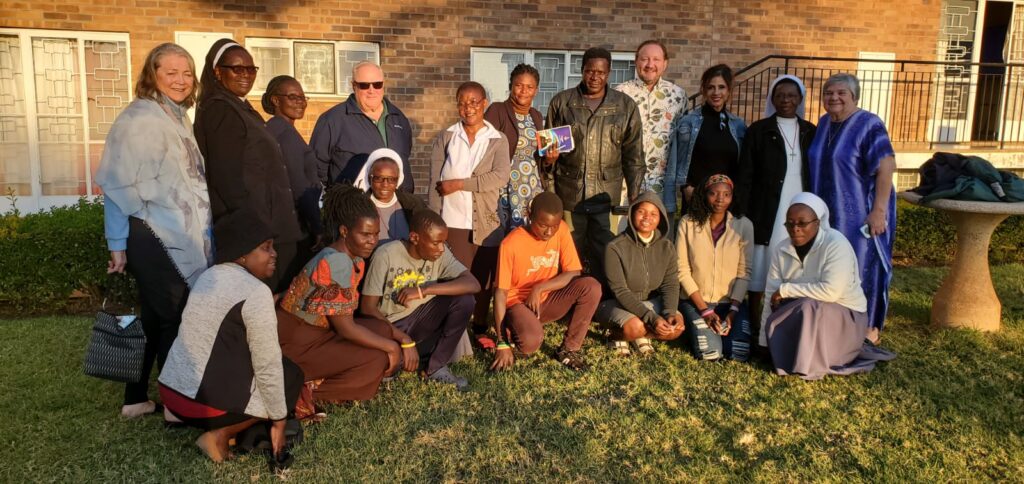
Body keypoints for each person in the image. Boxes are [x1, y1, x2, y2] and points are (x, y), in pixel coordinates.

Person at [95, 42, 213, 418]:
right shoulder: (141, 119)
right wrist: (117, 245)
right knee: (172, 317)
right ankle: (176, 405)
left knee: (152, 316)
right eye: (170, 73)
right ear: (152, 75)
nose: (180, 80)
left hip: (173, 230)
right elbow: (117, 187)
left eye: (186, 73)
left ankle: (135, 399)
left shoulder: (175, 115)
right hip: (154, 232)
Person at [158, 210, 303, 463]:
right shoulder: (255, 291)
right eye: (266, 248)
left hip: (172, 397)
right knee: (290, 375)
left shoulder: (208, 276)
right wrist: (279, 421)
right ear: (242, 254)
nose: (274, 254)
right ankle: (220, 435)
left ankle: (230, 429)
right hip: (202, 407)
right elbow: (267, 363)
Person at [276, 185, 406, 414]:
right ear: (345, 231)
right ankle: (304, 393)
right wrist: (393, 347)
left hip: (316, 334)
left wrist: (391, 338)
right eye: (365, 234)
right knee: (375, 360)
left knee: (380, 329)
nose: (372, 241)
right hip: (297, 343)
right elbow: (346, 328)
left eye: (375, 234)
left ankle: (321, 377)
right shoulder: (338, 261)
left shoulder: (351, 258)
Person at [193, 39, 302, 294]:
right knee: (266, 301)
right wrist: (255, 235)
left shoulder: (239, 106)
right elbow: (226, 178)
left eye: (251, 69)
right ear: (218, 71)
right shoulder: (220, 110)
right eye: (237, 69)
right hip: (258, 231)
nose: (245, 75)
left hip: (271, 225)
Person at [764, 192, 896, 380]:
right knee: (789, 311)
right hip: (804, 313)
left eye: (802, 223)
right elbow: (771, 291)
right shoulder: (782, 249)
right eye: (790, 223)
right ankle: (803, 355)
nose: (795, 229)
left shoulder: (835, 243)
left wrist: (786, 290)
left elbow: (831, 291)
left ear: (817, 222)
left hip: (845, 315)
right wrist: (763, 343)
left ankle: (851, 345)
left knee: (809, 306)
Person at [807, 73, 897, 343]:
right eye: (828, 93)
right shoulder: (823, 124)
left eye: (841, 93)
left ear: (854, 97)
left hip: (860, 215)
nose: (834, 97)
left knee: (861, 268)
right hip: (828, 215)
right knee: (832, 267)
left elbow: (886, 165)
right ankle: (836, 325)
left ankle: (867, 328)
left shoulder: (869, 124)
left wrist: (878, 211)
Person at [545, 47, 644, 279]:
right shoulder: (562, 102)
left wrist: (634, 193)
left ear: (608, 73)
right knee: (569, 251)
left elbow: (634, 155)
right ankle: (567, 298)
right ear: (582, 71)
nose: (595, 77)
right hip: (569, 194)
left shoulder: (625, 106)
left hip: (605, 196)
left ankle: (604, 299)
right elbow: (547, 155)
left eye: (601, 72)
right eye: (590, 71)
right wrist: (550, 193)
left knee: (606, 251)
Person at [360, 210, 481, 391]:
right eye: (435, 243)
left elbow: (473, 284)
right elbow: (367, 308)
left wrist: (424, 290)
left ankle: (435, 367)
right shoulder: (385, 254)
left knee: (465, 300)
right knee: (379, 367)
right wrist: (404, 339)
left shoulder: (441, 253)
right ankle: (398, 360)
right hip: (390, 326)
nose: (441, 249)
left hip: (422, 319)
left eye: (443, 242)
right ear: (415, 238)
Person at [733, 75, 816, 335]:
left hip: (799, 205)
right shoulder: (759, 130)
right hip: (766, 210)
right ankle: (757, 326)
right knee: (761, 269)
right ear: (772, 98)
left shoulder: (810, 131)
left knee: (794, 267)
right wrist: (741, 210)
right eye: (780, 95)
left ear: (800, 99)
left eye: (791, 95)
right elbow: (745, 173)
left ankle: (787, 323)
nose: (785, 100)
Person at [428, 81, 511, 345]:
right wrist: (434, 222)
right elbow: (434, 183)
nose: (468, 108)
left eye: (474, 102)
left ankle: (480, 326)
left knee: (484, 278)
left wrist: (459, 184)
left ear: (484, 103)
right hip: (453, 222)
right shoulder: (447, 136)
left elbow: (499, 177)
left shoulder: (497, 139)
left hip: (487, 223)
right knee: (457, 277)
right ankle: (456, 327)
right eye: (462, 102)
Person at [491, 192, 602, 372]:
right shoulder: (510, 244)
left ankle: (569, 349)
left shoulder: (562, 230)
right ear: (529, 215)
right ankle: (514, 329)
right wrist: (502, 342)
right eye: (543, 225)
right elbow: (500, 293)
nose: (549, 232)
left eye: (554, 226)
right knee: (530, 344)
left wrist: (540, 287)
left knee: (591, 287)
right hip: (517, 303)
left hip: (546, 299)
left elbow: (574, 272)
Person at [676, 175, 754, 361]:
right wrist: (705, 311)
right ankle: (695, 329)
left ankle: (716, 330)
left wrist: (733, 311)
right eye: (714, 193)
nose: (720, 199)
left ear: (732, 197)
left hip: (730, 304)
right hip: (696, 302)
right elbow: (682, 270)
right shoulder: (687, 223)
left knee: (738, 354)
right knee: (710, 354)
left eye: (726, 194)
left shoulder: (744, 225)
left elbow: (744, 273)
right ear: (704, 195)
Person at [597, 191, 685, 356]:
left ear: (661, 219)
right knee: (635, 327)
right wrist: (651, 318)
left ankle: (641, 335)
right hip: (616, 304)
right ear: (631, 214)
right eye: (641, 212)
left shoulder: (667, 247)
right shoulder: (615, 247)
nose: (647, 217)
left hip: (650, 302)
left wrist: (670, 312)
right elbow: (620, 291)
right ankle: (616, 336)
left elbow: (670, 283)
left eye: (653, 214)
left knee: (676, 328)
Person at [310, 61, 414, 192]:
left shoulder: (399, 118)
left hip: (397, 205)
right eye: (364, 85)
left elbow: (405, 156)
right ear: (354, 86)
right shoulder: (333, 120)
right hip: (353, 207)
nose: (371, 91)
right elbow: (315, 167)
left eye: (377, 84)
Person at [663, 64, 746, 216]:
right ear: (703, 90)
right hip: (697, 199)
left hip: (726, 203)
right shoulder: (688, 122)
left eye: (721, 87)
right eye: (710, 87)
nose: (716, 92)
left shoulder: (738, 126)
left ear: (729, 91)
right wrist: (685, 187)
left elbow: (741, 167)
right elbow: (676, 161)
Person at [263, 75, 322, 283]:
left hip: (278, 226)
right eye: (293, 97)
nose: (300, 102)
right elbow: (299, 186)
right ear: (275, 100)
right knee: (287, 289)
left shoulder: (274, 130)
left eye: (303, 98)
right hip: (292, 230)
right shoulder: (285, 135)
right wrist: (317, 227)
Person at [615, 40, 687, 195]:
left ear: (665, 63)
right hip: (624, 184)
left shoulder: (678, 96)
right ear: (636, 61)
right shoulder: (620, 93)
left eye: (656, 59)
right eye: (644, 59)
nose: (650, 64)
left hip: (662, 185)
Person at [483, 63, 546, 231]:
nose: (524, 91)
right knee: (505, 232)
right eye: (519, 85)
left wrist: (550, 158)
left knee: (531, 231)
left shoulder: (537, 116)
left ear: (536, 90)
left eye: (529, 87)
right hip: (506, 184)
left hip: (532, 184)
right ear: (511, 86)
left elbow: (539, 155)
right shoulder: (497, 110)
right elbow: (484, 147)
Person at [352, 148, 425, 246]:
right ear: (370, 179)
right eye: (379, 178)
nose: (385, 184)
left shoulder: (414, 204)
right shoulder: (357, 207)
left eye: (391, 179)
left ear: (398, 180)